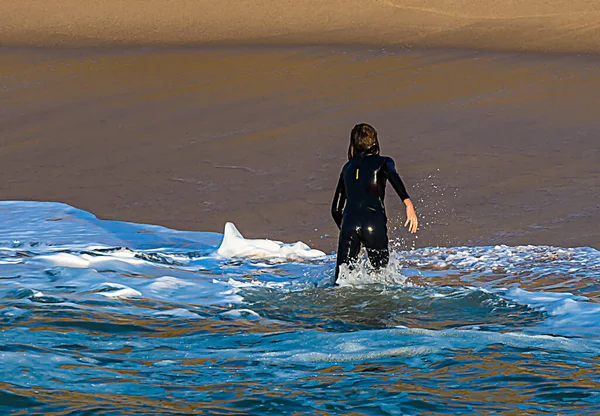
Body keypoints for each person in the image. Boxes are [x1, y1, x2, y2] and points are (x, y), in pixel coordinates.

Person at [331, 123, 418, 283]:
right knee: (383, 278)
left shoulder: (347, 168)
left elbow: (336, 209)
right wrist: (408, 204)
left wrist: (347, 229)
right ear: (375, 142)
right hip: (373, 224)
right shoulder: (384, 162)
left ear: (353, 144)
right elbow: (393, 176)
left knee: (341, 281)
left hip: (349, 225)